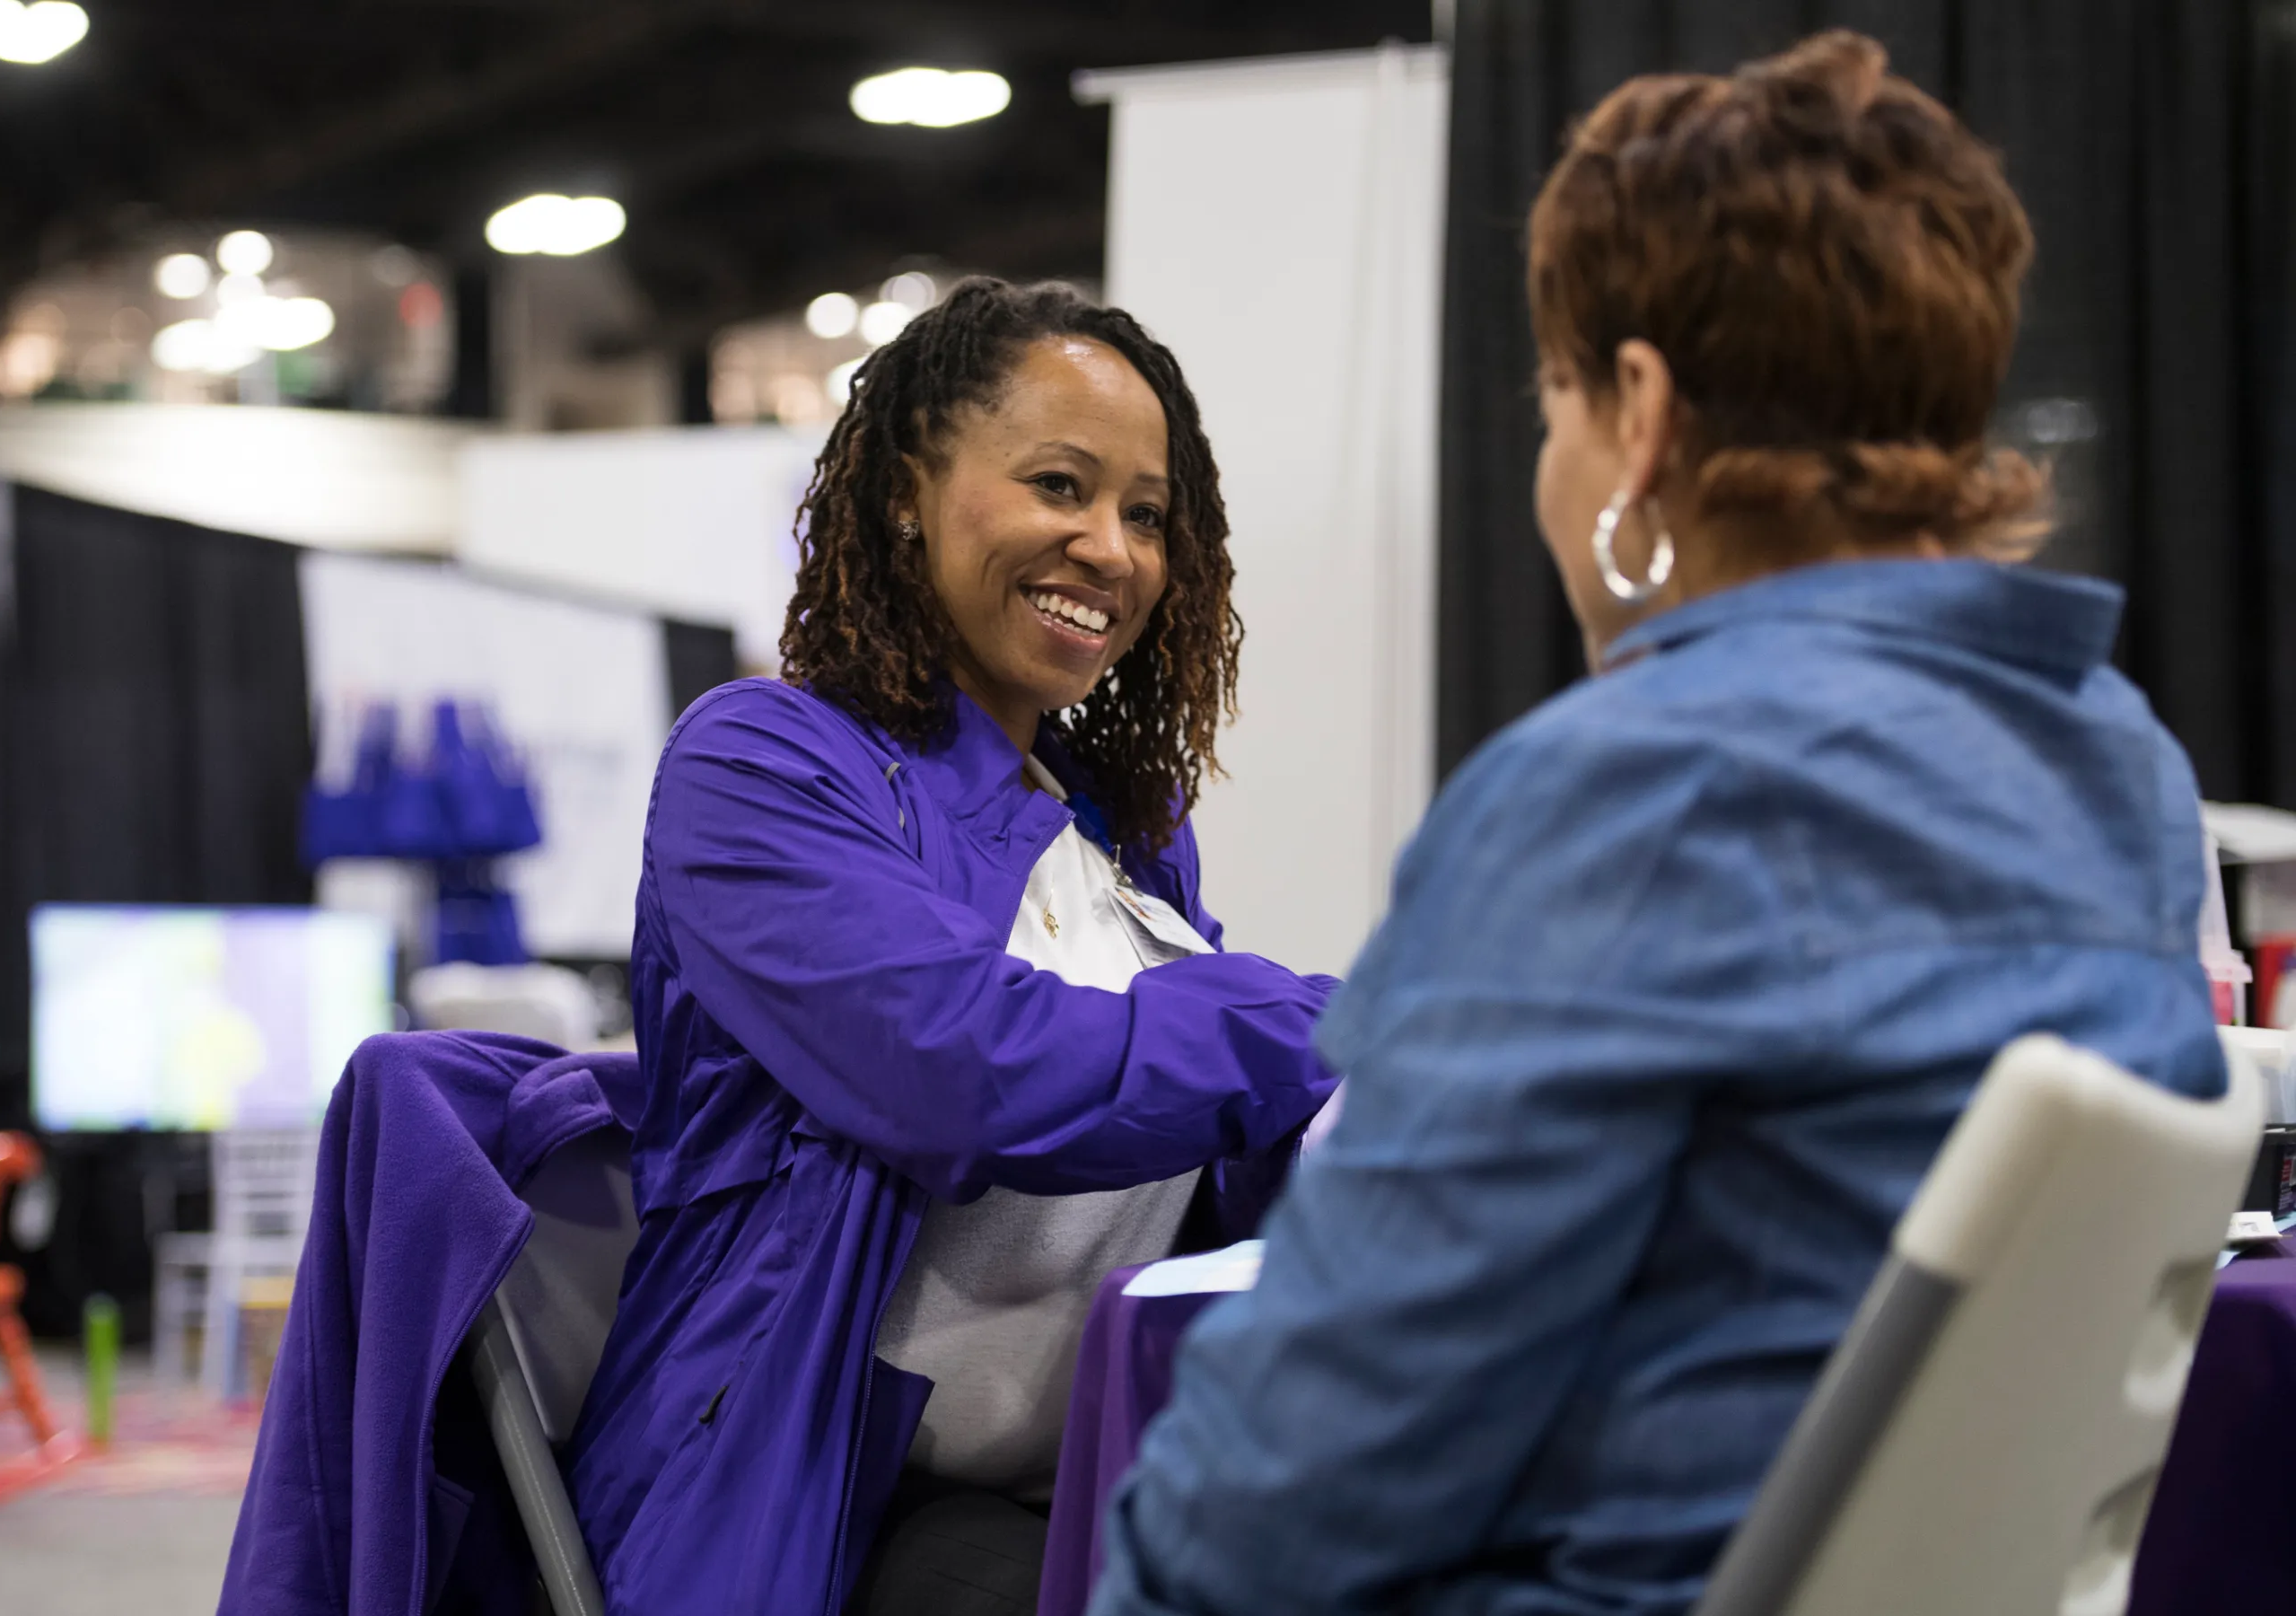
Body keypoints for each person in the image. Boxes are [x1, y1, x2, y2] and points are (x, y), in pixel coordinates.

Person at [1090, 31, 2229, 1616]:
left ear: (1638, 409)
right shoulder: (2122, 770)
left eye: (1552, 395)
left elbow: (1274, 1506)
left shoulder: (1629, 789)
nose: (1549, 455)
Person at [560, 279, 1339, 1615]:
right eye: (1059, 485)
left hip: (1083, 1474)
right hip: (813, 1500)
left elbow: (1192, 1129)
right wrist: (1339, 1024)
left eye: (1146, 516)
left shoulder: (1128, 832)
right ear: (911, 487)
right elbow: (965, 1068)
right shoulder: (764, 763)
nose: (1112, 548)